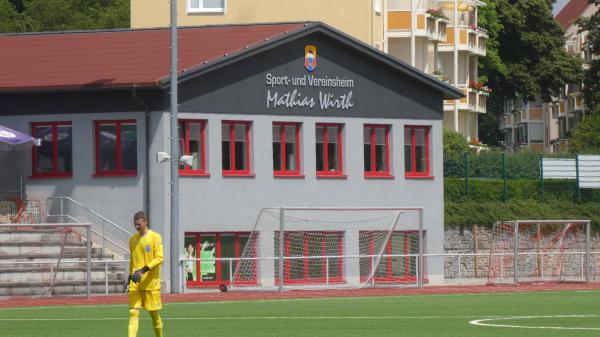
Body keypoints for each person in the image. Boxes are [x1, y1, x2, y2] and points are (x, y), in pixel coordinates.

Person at [127, 211, 164, 337]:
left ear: (145, 222)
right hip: (135, 282)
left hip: (150, 283)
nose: (137, 227)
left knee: (154, 314)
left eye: (139, 224)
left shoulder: (155, 237)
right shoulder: (132, 240)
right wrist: (129, 278)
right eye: (135, 224)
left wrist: (142, 271)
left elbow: (159, 258)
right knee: (133, 312)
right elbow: (133, 260)